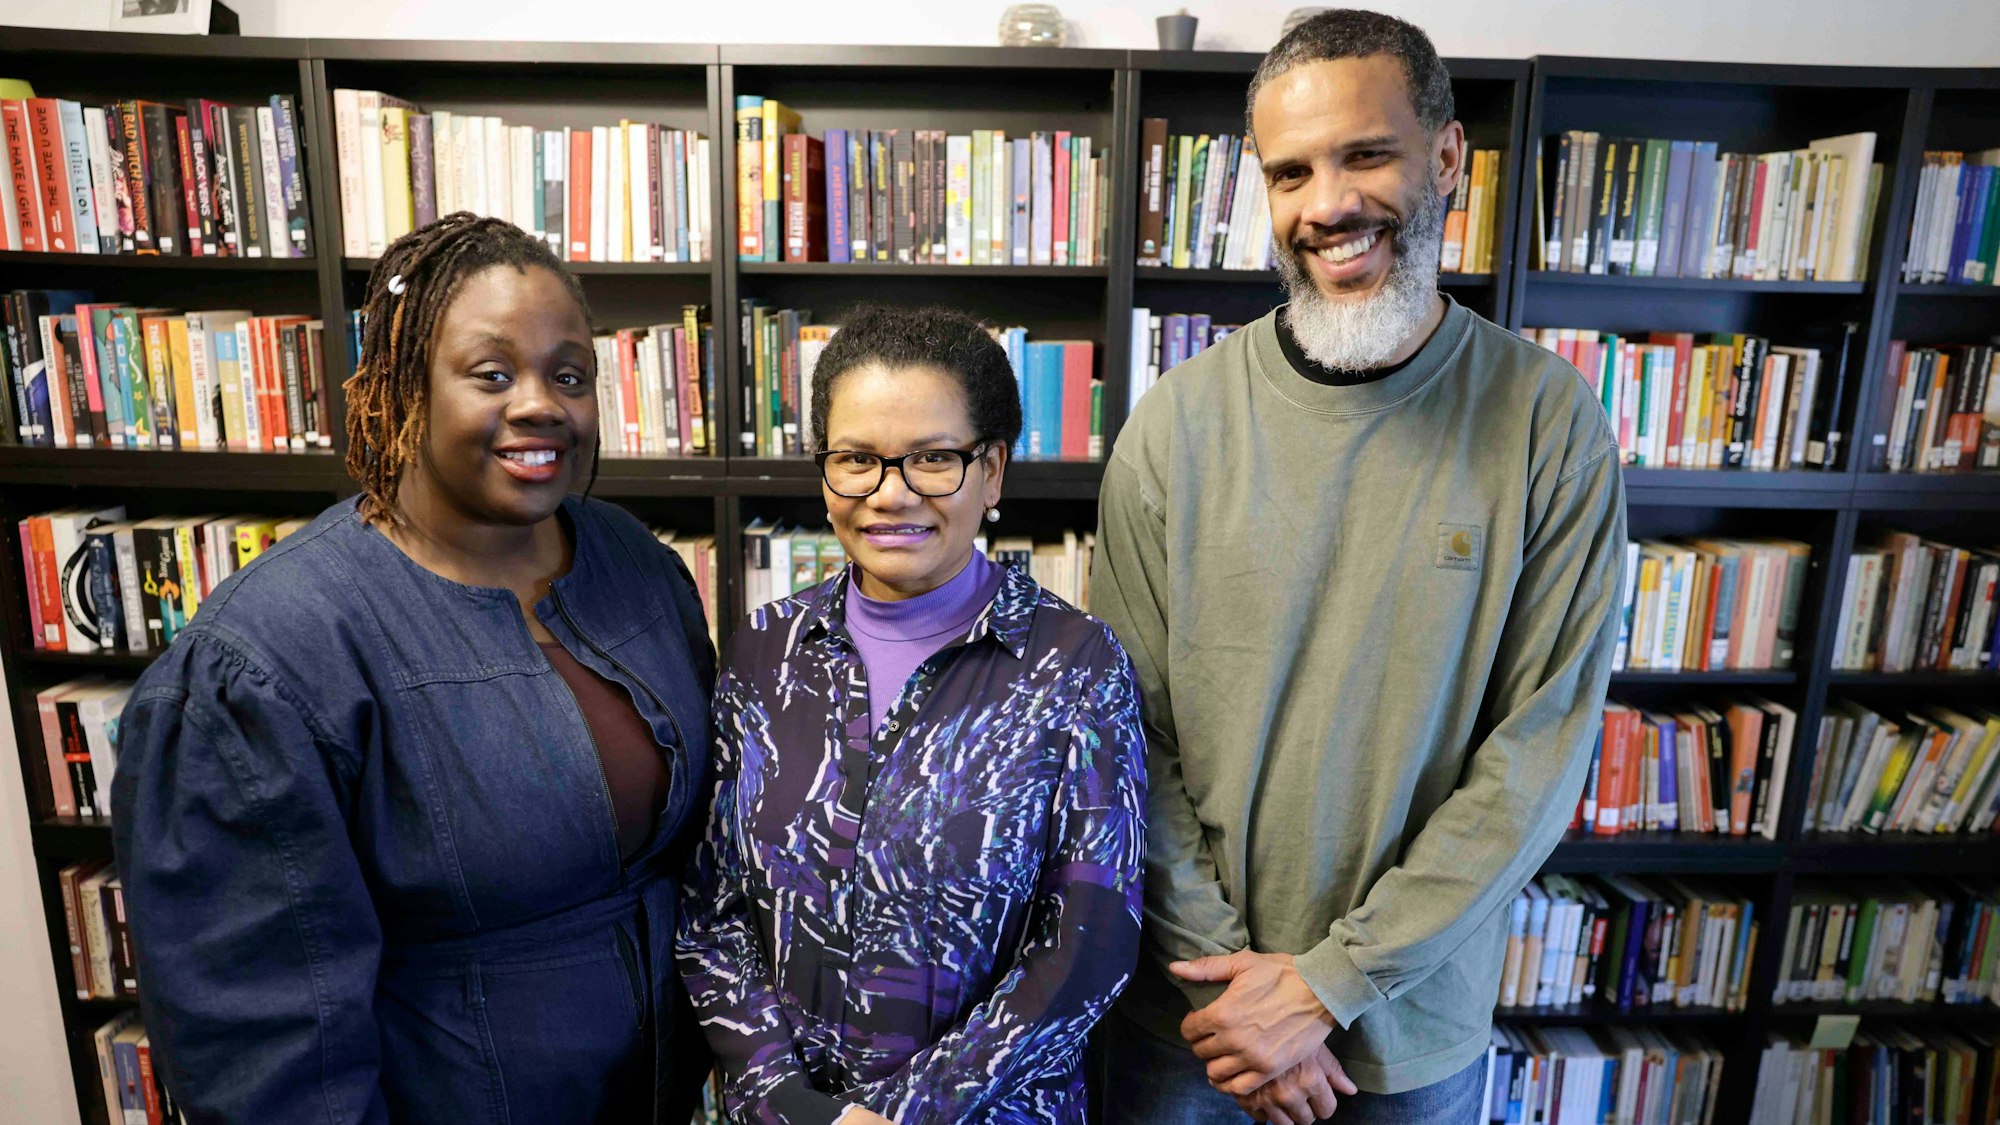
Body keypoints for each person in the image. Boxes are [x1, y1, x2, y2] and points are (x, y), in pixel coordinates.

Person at [1089, 10, 1627, 1125]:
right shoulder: (1172, 425)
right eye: (1289, 173)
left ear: (1444, 156)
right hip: (1192, 1025)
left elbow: (1535, 757)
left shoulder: (1545, 422)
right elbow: (1124, 735)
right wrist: (1249, 997)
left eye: (1364, 154)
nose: (1326, 205)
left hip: (1405, 1037)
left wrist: (1329, 986)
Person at [110, 213, 716, 1124]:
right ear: (402, 386)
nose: (541, 402)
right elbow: (267, 1052)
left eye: (569, 375)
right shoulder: (267, 658)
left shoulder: (634, 561)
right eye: (491, 373)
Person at [677, 304, 1147, 1124]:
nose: (891, 495)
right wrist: (795, 1104)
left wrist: (904, 1115)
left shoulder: (1076, 663)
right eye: (857, 458)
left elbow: (1091, 940)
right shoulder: (763, 649)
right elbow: (710, 913)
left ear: (993, 471)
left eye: (934, 459)